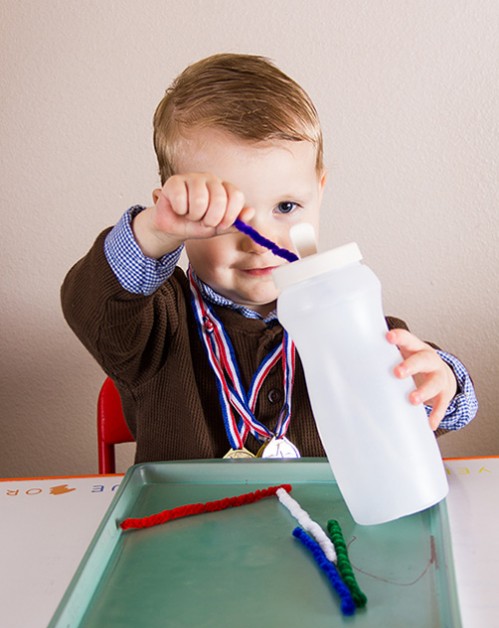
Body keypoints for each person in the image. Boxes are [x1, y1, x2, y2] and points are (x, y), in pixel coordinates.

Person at [61, 53, 477, 462]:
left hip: (328, 529)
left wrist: (440, 381)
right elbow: (91, 305)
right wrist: (154, 230)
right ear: (177, 217)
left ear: (320, 191)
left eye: (285, 207)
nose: (259, 241)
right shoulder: (151, 325)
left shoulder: (350, 317)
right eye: (226, 218)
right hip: (189, 526)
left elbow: (434, 406)